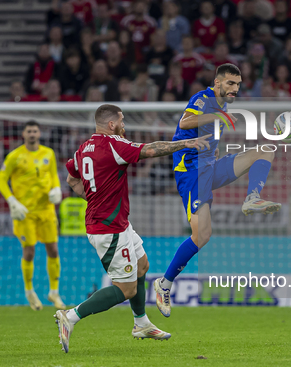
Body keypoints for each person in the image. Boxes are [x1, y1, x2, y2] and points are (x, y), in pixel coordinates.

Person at [55, 104, 211, 353]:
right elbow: (150, 150)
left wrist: (94, 198)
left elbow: (71, 178)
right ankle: (70, 316)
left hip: (116, 223)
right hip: (109, 229)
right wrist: (186, 143)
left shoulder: (83, 148)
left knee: (142, 265)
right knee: (126, 288)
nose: (124, 125)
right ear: (111, 125)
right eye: (122, 121)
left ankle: (141, 324)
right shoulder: (113, 144)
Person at [153, 64, 281, 317]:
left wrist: (216, 149)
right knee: (202, 235)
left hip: (210, 166)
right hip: (191, 173)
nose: (235, 88)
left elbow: (208, 135)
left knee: (266, 150)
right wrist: (217, 117)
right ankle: (164, 284)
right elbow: (185, 121)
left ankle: (252, 198)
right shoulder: (204, 98)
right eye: (231, 83)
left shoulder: (221, 106)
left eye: (238, 84)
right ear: (217, 82)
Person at [0, 121, 65, 311]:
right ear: (24, 134)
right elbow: (0, 180)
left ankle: (54, 292)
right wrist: (12, 202)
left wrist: (57, 188)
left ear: (39, 133)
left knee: (53, 250)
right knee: (29, 251)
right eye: (29, 131)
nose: (32, 134)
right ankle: (29, 292)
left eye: (35, 130)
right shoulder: (15, 156)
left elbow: (53, 176)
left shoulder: (48, 153)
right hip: (24, 212)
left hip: (46, 210)